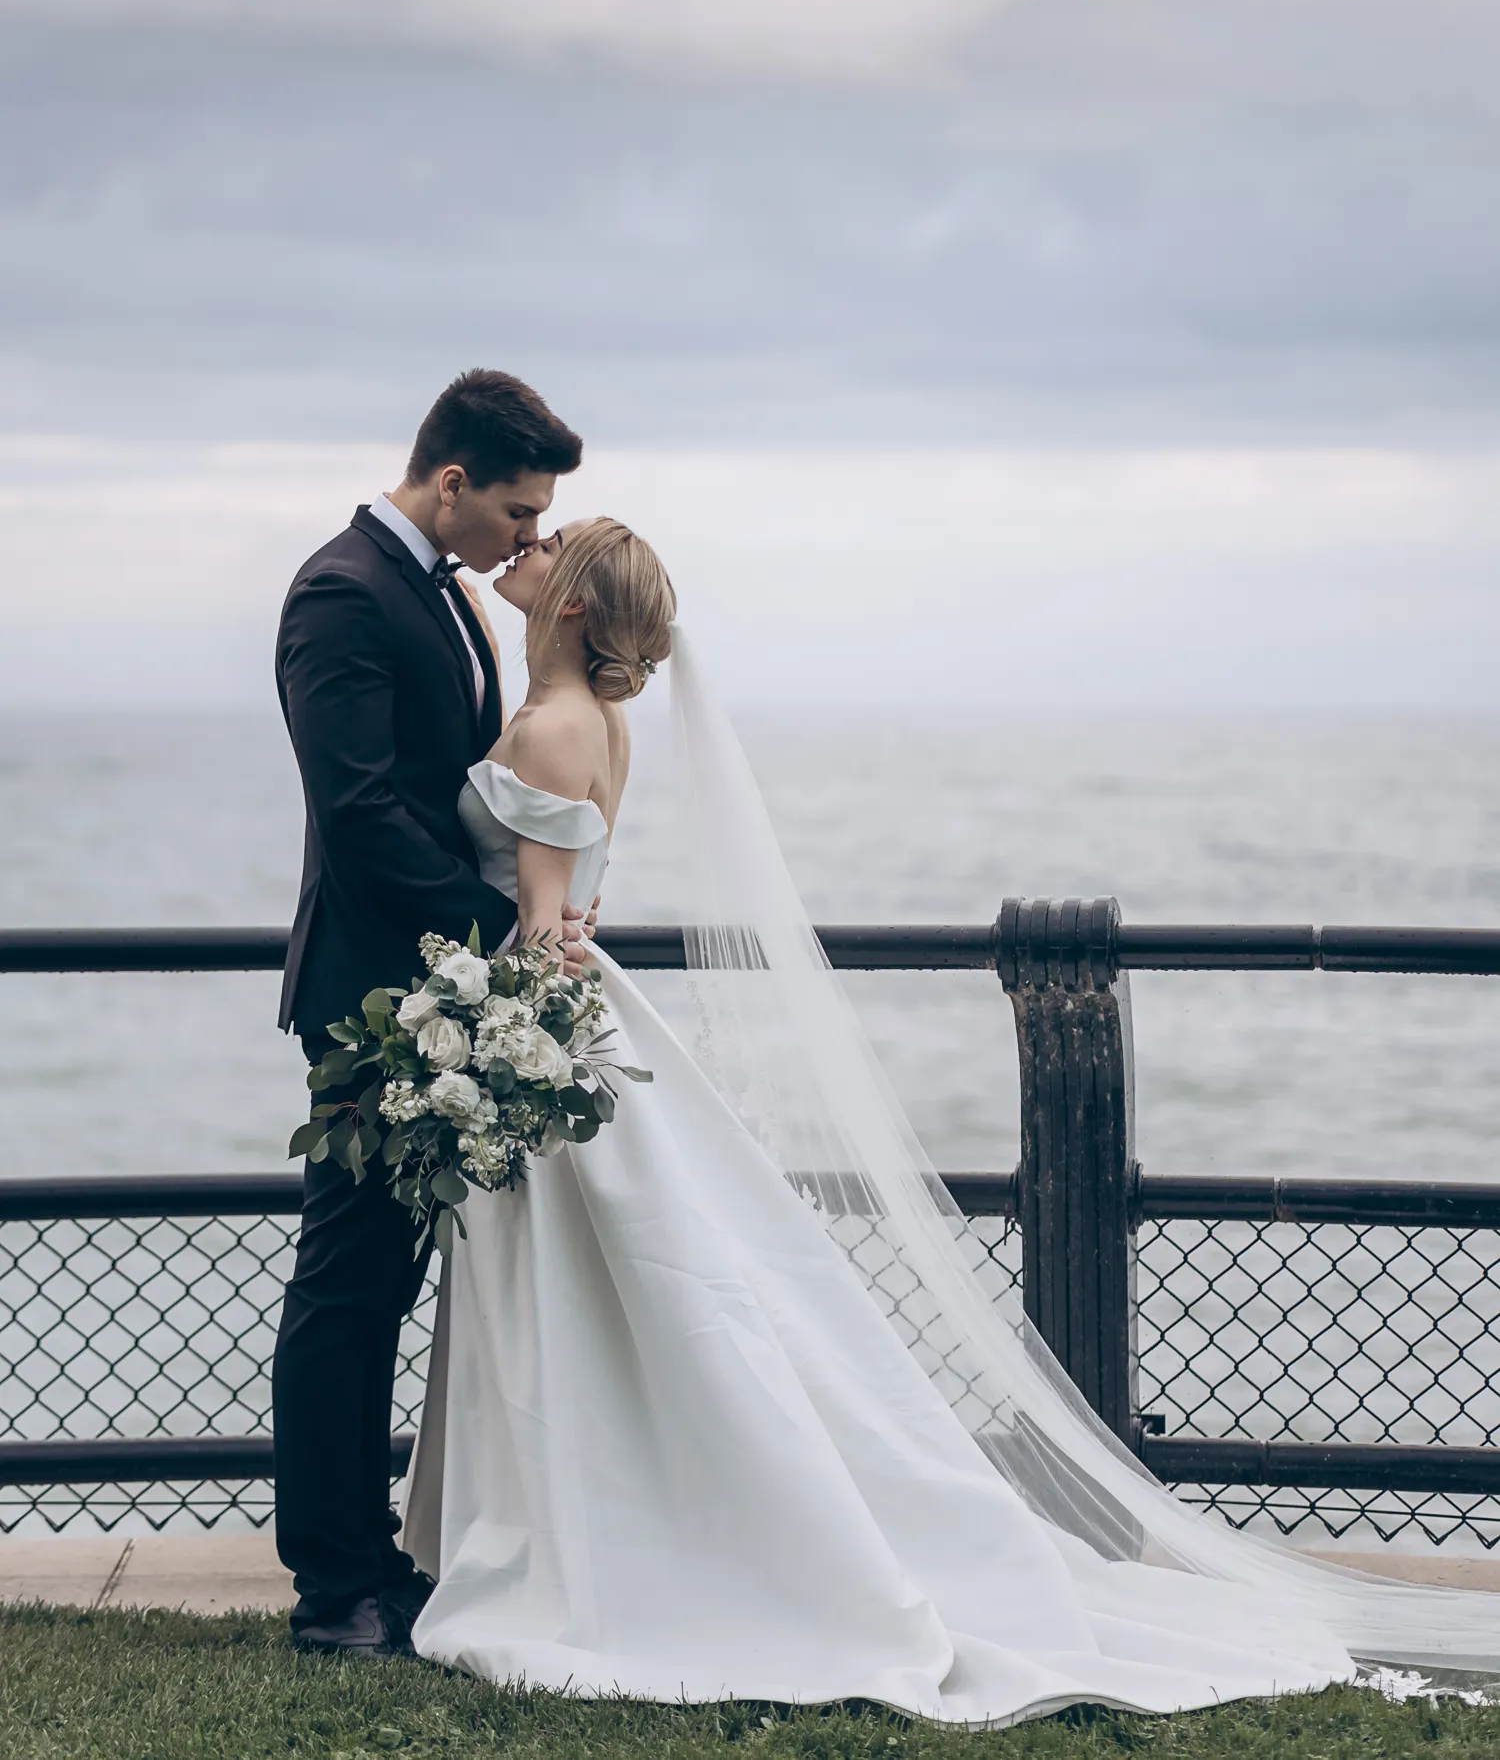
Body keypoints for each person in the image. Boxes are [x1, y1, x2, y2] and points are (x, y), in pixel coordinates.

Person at [400, 516, 1500, 1721]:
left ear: (566, 605)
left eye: (549, 541)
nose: (529, 542)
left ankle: (602, 1542)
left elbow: (551, 932)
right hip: (577, 1026)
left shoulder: (557, 727)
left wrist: (483, 1028)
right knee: (647, 1304)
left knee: (596, 1305)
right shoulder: (591, 719)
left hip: (548, 1027)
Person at [271, 368, 584, 1657]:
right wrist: (500, 926)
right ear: (449, 481)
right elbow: (358, 813)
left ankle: (379, 1556)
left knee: (387, 1285)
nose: (528, 538)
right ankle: (333, 1582)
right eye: (515, 512)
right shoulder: (342, 592)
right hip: (369, 1002)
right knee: (346, 1288)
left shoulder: (449, 597)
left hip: (435, 989)